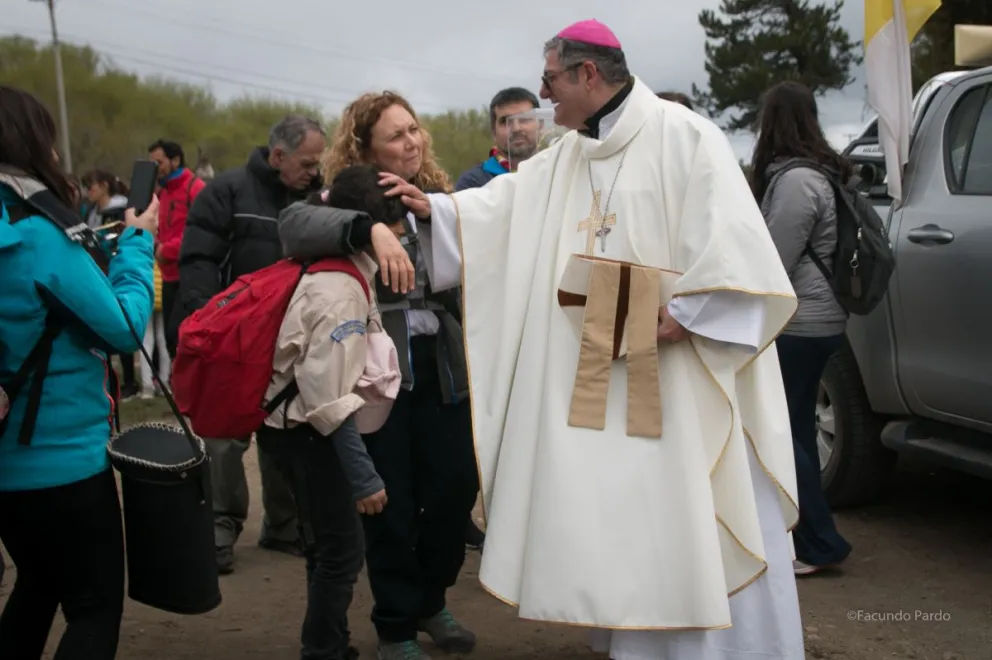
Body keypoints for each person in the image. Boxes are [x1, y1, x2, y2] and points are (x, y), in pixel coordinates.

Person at [375, 19, 804, 660]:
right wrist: (438, 209)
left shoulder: (685, 136)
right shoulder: (571, 152)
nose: (544, 95)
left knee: (687, 508)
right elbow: (507, 206)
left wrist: (691, 315)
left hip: (679, 363)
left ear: (588, 73)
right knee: (622, 503)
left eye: (550, 80)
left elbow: (738, 246)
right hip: (604, 353)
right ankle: (635, 636)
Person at [280, 91, 478, 660]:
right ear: (365, 148)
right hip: (378, 382)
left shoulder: (438, 198)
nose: (412, 142)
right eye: (396, 135)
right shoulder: (339, 198)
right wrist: (368, 228)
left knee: (455, 493)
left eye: (414, 129)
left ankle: (431, 601)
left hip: (444, 372)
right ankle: (396, 627)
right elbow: (293, 225)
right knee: (390, 506)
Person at [0, 86, 157, 660]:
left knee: (37, 585)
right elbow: (122, 327)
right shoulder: (37, 232)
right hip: (62, 459)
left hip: (7, 466)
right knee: (92, 608)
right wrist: (138, 242)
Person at [258, 165, 407, 660]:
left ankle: (330, 643)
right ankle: (322, 649)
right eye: (396, 231)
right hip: (306, 433)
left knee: (326, 547)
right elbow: (326, 397)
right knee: (341, 552)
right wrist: (363, 477)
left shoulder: (334, 267)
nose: (401, 242)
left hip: (296, 427)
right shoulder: (339, 291)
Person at [177, 115, 326, 574]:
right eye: (307, 163)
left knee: (286, 430)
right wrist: (209, 322)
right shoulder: (225, 192)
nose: (315, 172)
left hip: (293, 336)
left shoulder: (315, 198)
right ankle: (221, 525)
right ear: (278, 155)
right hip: (235, 338)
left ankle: (284, 524)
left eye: (318, 163)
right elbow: (198, 259)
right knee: (224, 439)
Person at [749, 80, 853, 578]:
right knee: (798, 432)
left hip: (799, 322)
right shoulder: (819, 173)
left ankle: (817, 542)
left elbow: (773, 259)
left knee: (785, 434)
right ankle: (812, 537)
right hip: (818, 319)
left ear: (772, 123)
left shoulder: (795, 182)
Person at [80, 169, 140, 400]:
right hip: (96, 273)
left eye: (92, 187)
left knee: (120, 321)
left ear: (104, 186)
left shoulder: (119, 210)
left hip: (114, 270)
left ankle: (129, 380)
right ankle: (111, 380)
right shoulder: (90, 212)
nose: (89, 192)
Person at [147, 138, 205, 358]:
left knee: (178, 333)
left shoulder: (195, 188)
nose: (156, 168)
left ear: (176, 160)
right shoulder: (162, 193)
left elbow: (200, 232)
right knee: (169, 339)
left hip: (190, 274)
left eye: (159, 162)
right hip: (167, 276)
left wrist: (166, 250)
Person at [456, 87, 541, 191]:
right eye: (505, 121)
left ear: (541, 125)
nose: (516, 128)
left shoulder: (554, 172)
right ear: (493, 132)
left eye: (524, 118)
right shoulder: (473, 182)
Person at [140, 261, 170, 399]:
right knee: (163, 340)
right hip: (163, 292)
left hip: (147, 294)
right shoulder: (164, 248)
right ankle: (164, 383)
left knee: (146, 342)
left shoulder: (142, 249)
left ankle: (147, 387)